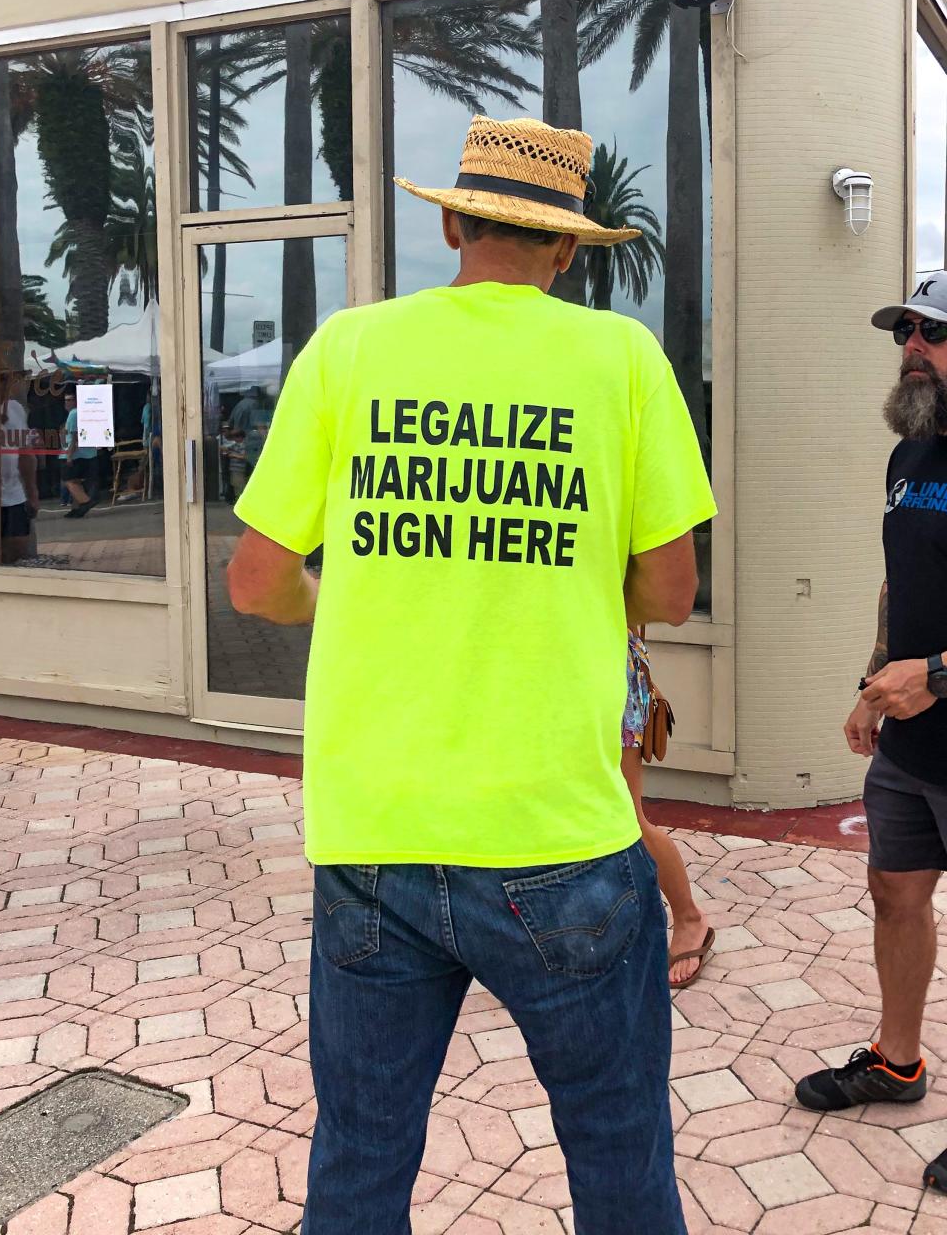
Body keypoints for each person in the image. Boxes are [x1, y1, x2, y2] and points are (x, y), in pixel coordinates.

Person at [226, 116, 716, 1234]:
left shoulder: (350, 347)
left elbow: (254, 580)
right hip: (560, 837)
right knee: (618, 1155)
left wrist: (336, 596)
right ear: (569, 251)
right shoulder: (621, 359)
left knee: (360, 1157)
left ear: (448, 221)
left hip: (371, 836)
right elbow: (673, 589)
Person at [795, 275, 947, 1118]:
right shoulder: (908, 454)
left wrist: (937, 674)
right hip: (911, 745)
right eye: (905, 332)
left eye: (932, 332)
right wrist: (875, 679)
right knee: (895, 894)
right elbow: (901, 583)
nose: (912, 347)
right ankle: (897, 1064)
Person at [622, 628, 713, 987]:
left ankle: (690, 918)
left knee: (628, 818)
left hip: (600, 671)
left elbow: (664, 603)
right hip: (535, 678)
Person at [0, 370, 39, 564]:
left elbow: (25, 453)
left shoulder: (14, 409)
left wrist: (32, 493)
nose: (5, 385)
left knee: (16, 550)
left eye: (6, 379)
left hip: (12, 495)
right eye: (0, 379)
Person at [59, 388, 99, 518]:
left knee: (68, 480)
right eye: (66, 400)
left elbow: (75, 437)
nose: (67, 403)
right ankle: (77, 508)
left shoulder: (74, 414)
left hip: (77, 453)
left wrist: (69, 455)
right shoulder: (83, 412)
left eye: (70, 400)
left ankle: (86, 501)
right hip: (87, 453)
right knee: (76, 481)